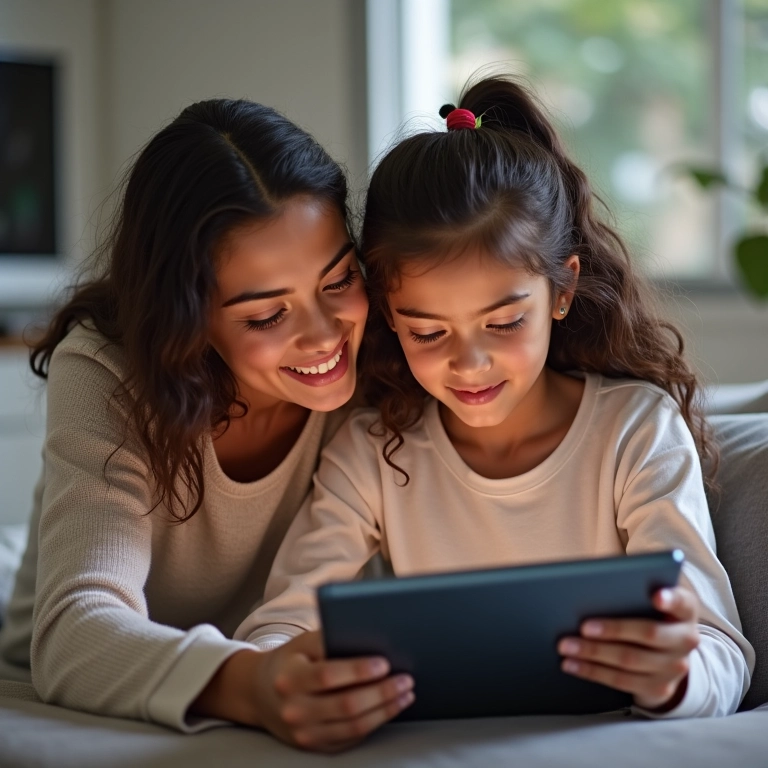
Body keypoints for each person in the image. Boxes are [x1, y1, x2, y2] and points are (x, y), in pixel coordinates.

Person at [236, 76, 755, 745]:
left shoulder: (633, 430)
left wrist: (672, 674)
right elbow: (280, 625)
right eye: (428, 332)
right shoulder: (374, 450)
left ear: (562, 290)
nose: (470, 364)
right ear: (389, 317)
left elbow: (719, 651)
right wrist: (282, 674)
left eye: (505, 323)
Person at [0, 99, 415, 746]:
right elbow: (74, 632)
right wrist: (251, 683)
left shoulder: (385, 354)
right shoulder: (111, 372)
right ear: (187, 318)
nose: (326, 335)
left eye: (337, 281)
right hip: (61, 655)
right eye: (265, 316)